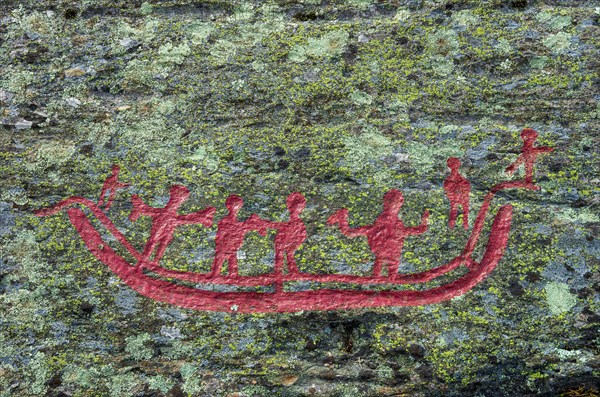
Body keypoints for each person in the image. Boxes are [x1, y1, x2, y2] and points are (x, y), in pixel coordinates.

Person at [327, 189, 429, 279]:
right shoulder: (396, 226)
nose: (394, 204)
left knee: (382, 263)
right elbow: (419, 230)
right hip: (389, 248)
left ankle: (342, 216)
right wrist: (425, 221)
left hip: (385, 247)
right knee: (388, 265)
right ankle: (386, 277)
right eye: (394, 202)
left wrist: (424, 222)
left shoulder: (395, 225)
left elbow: (419, 230)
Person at [129, 185, 215, 263]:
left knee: (162, 241)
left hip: (168, 219)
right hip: (166, 219)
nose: (179, 201)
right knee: (155, 240)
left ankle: (154, 261)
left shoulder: (170, 210)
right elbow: (179, 218)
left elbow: (179, 218)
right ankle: (147, 261)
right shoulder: (169, 210)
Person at [209, 195, 267, 278]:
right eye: (233, 206)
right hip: (224, 244)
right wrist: (219, 243)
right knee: (220, 259)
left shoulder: (238, 223)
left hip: (232, 245)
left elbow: (244, 229)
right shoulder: (225, 221)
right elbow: (221, 233)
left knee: (231, 259)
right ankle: (216, 274)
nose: (235, 209)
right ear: (228, 206)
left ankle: (232, 275)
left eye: (237, 206)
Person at [253, 192, 307, 276]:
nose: (293, 211)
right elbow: (279, 226)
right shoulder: (294, 221)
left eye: (295, 208)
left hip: (289, 241)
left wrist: (263, 223)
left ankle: (282, 272)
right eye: (293, 208)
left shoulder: (296, 222)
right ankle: (283, 271)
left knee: (285, 253)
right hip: (287, 240)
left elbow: (278, 226)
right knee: (285, 253)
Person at [444, 157, 470, 230]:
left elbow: (447, 186)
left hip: (455, 196)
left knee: (454, 209)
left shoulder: (450, 177)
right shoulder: (460, 176)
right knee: (465, 209)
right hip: (462, 195)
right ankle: (465, 225)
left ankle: (453, 225)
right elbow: (467, 185)